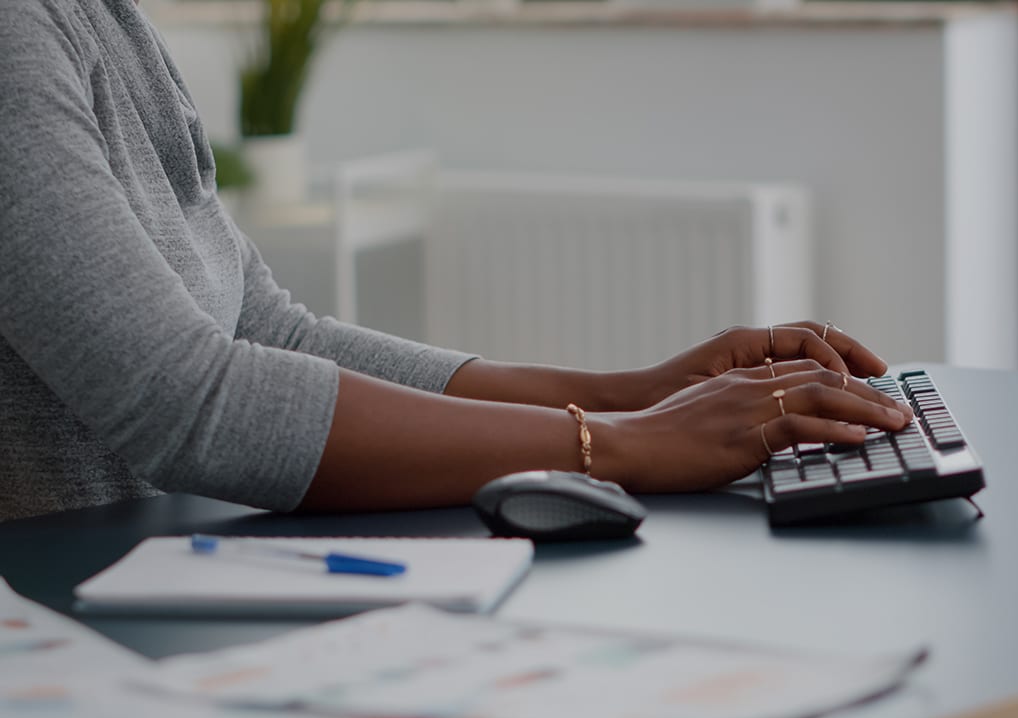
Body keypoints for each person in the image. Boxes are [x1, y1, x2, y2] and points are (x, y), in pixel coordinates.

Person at [0, 0, 912, 524]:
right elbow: (188, 402)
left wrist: (626, 394)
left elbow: (260, 327)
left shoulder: (102, 19)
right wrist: (628, 447)